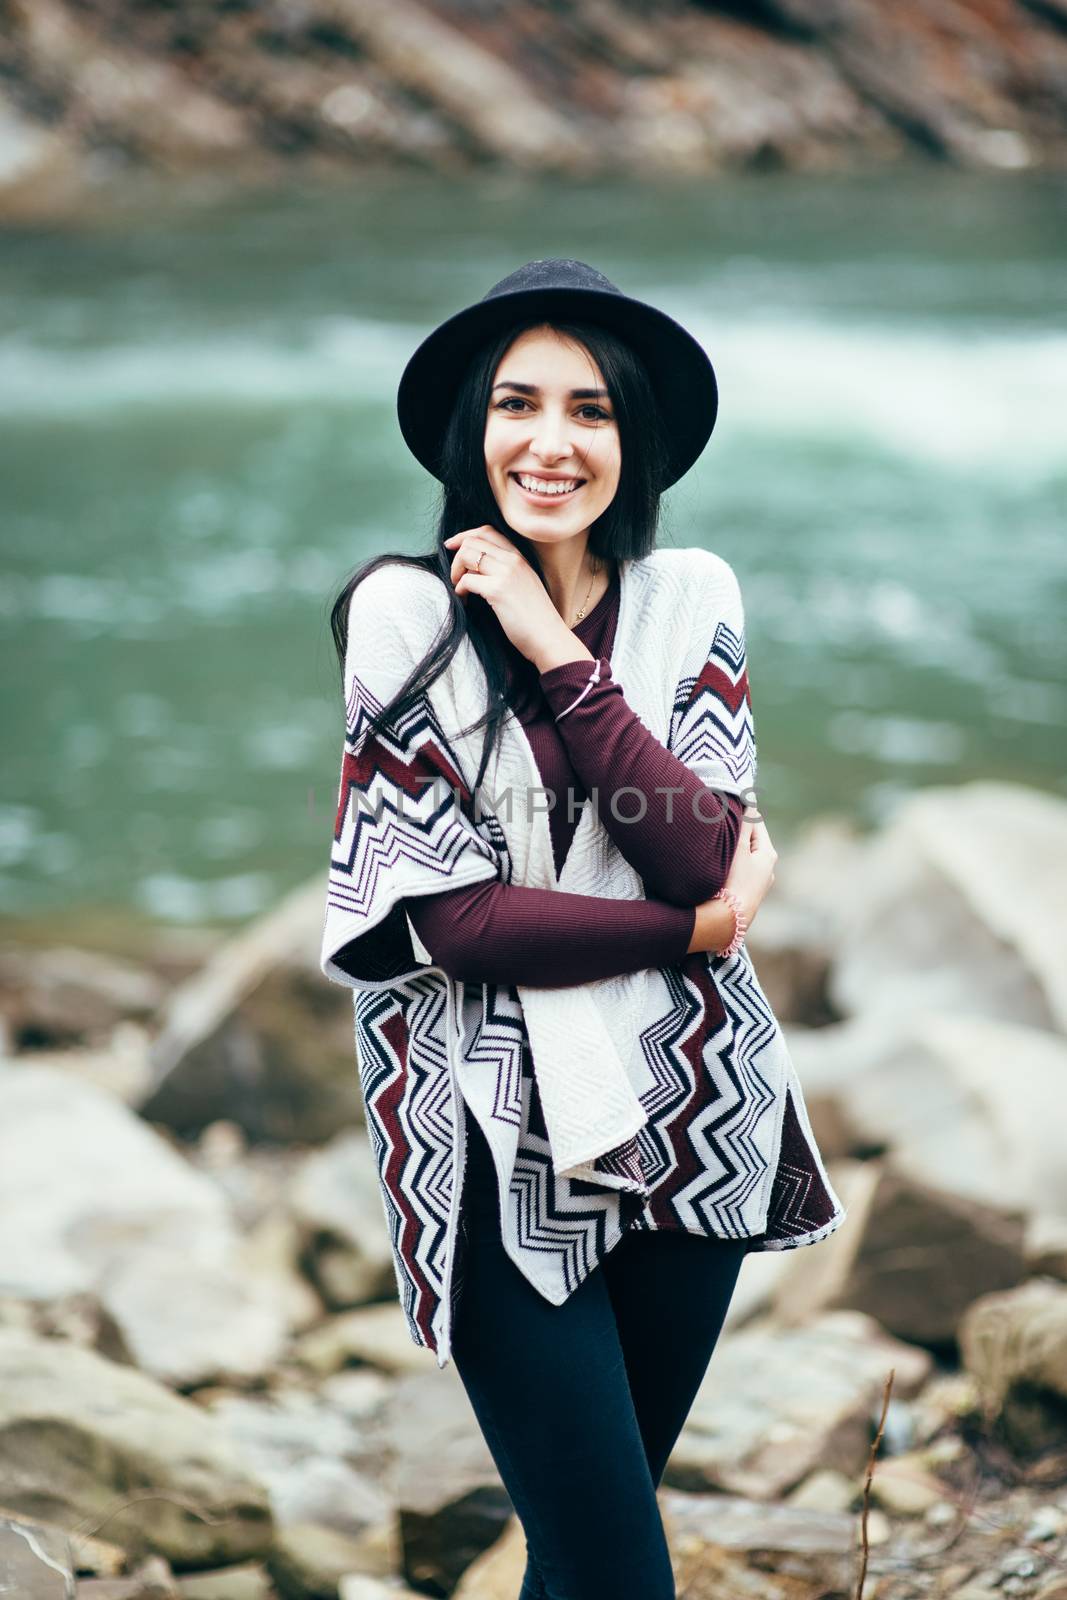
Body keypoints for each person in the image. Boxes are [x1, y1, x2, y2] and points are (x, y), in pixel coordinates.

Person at [319, 259, 847, 1600]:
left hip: (693, 1107)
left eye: (591, 411)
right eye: (517, 405)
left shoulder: (693, 596)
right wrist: (693, 932)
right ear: (470, 431)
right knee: (621, 1574)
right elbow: (457, 922)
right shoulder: (404, 614)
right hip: (492, 1126)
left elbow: (695, 846)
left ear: (637, 440)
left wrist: (556, 645)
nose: (551, 442)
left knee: (584, 1556)